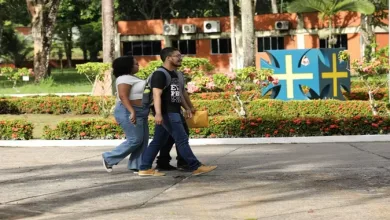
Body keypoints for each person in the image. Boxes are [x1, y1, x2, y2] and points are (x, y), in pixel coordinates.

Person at [138, 47, 217, 176]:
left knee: (158, 141)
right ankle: (195, 166)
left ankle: (144, 168)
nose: (181, 58)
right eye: (177, 56)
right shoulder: (160, 74)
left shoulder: (174, 74)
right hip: (167, 112)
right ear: (169, 58)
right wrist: (158, 113)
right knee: (181, 139)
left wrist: (187, 108)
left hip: (174, 111)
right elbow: (156, 94)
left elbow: (178, 94)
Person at [102, 55, 149, 173]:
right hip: (127, 110)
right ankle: (109, 158)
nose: (138, 65)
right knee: (135, 139)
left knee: (142, 140)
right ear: (127, 66)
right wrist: (131, 111)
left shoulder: (131, 77)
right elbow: (123, 96)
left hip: (140, 110)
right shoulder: (124, 78)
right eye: (135, 63)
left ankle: (137, 165)